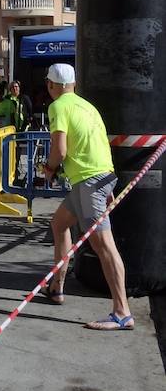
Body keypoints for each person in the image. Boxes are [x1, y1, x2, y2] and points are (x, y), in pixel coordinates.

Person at [41, 64, 133, 330]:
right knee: (59, 224)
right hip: (98, 177)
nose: (48, 88)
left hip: (89, 182)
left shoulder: (58, 106)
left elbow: (59, 149)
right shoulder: (87, 106)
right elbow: (98, 142)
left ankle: (122, 312)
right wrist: (106, 181)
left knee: (104, 246)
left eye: (48, 83)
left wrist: (48, 169)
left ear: (53, 85)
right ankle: (57, 287)